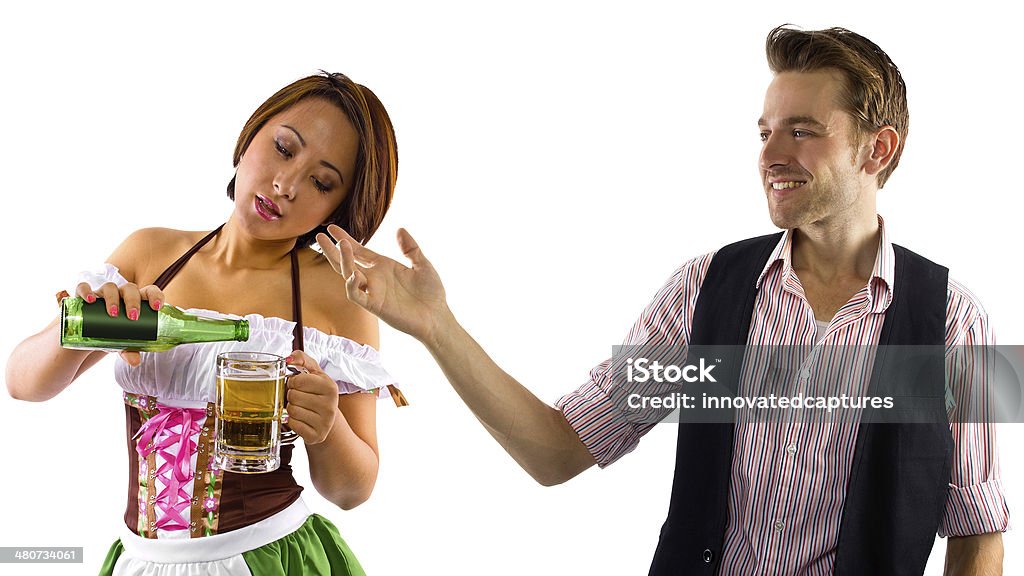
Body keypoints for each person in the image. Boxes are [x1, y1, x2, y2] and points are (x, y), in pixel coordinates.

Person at [314, 26, 1009, 575]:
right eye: (765, 131)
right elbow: (559, 451)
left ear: (877, 148)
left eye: (803, 129)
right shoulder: (707, 293)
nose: (772, 153)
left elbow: (978, 535)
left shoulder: (953, 322)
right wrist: (438, 326)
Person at [6, 71, 403, 575]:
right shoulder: (150, 253)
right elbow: (22, 384)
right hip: (143, 559)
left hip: (271, 557)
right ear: (250, 135)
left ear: (339, 208)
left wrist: (328, 429)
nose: (285, 185)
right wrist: (87, 323)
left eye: (321, 182)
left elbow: (352, 491)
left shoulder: (339, 296)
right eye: (283, 148)